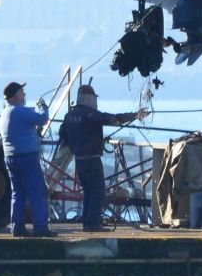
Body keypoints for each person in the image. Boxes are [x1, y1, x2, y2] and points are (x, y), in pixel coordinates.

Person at [59, 84, 148, 232]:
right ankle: (93, 223)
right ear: (91, 99)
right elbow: (113, 119)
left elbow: (63, 137)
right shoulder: (91, 115)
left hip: (79, 160)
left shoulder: (69, 116)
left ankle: (87, 222)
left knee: (88, 191)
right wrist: (135, 115)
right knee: (98, 191)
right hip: (92, 159)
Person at [0, 80, 52, 237]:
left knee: (18, 193)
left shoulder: (5, 113)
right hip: (26, 157)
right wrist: (43, 106)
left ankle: (17, 227)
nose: (24, 94)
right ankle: (41, 227)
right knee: (37, 192)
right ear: (15, 95)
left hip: (10, 157)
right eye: (22, 92)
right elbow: (42, 118)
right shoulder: (18, 111)